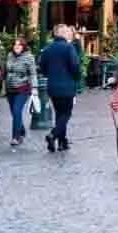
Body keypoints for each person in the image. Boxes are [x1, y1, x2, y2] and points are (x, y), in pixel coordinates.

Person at [39, 24, 82, 153]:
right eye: (67, 32)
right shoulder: (68, 48)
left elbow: (42, 67)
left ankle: (62, 142)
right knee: (66, 113)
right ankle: (53, 134)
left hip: (53, 86)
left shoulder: (48, 49)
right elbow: (75, 66)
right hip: (67, 85)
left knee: (59, 113)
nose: (69, 34)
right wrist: (76, 78)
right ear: (62, 33)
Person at [5, 35, 37, 147]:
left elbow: (33, 74)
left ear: (23, 47)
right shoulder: (9, 56)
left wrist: (34, 87)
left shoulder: (29, 57)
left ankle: (16, 136)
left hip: (22, 88)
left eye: (19, 45)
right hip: (10, 87)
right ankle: (21, 129)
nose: (16, 47)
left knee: (16, 111)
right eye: (15, 45)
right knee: (14, 112)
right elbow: (6, 69)